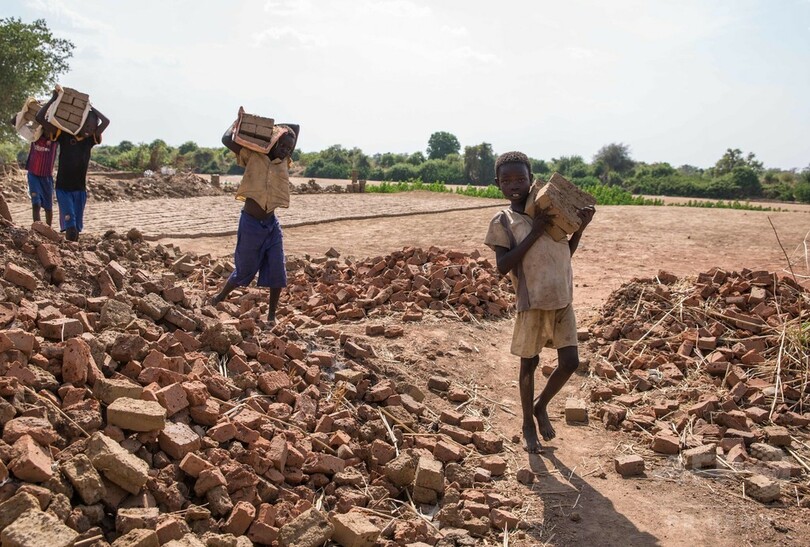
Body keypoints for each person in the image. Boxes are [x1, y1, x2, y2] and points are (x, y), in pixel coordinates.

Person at [484, 151, 595, 453]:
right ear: (498, 184)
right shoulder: (503, 221)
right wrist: (534, 232)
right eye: (507, 180)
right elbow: (503, 265)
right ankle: (527, 425)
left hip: (562, 298)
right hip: (531, 302)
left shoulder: (548, 211)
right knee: (529, 365)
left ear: (531, 179)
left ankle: (540, 405)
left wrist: (580, 229)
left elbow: (562, 254)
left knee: (570, 362)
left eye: (521, 178)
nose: (514, 184)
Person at [211, 119, 299, 325]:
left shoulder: (284, 161)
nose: (286, 150)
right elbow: (226, 139)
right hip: (250, 224)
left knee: (277, 268)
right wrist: (241, 122)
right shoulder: (254, 155)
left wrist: (279, 130)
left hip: (271, 224)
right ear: (274, 142)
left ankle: (271, 316)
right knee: (244, 269)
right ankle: (220, 297)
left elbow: (295, 128)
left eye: (289, 148)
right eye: (283, 145)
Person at [35, 89, 110, 241]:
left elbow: (106, 121)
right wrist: (52, 100)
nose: (90, 129)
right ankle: (70, 254)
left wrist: (88, 107)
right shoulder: (65, 135)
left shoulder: (90, 140)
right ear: (80, 123)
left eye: (93, 126)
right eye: (87, 125)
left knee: (76, 228)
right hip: (63, 189)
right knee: (70, 226)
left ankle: (72, 254)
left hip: (80, 190)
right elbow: (40, 118)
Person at [8, 114, 58, 226]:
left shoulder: (55, 140)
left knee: (48, 208)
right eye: (45, 127)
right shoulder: (34, 136)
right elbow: (13, 121)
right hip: (33, 174)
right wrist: (27, 111)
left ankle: (48, 229)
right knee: (36, 204)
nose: (47, 130)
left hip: (46, 176)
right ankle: (38, 228)